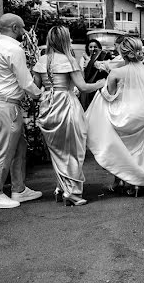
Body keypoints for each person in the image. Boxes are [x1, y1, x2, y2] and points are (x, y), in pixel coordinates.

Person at [86, 37, 144, 194]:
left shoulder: (116, 72)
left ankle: (120, 180)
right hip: (141, 114)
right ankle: (137, 183)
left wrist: (101, 88)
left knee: (119, 147)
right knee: (139, 148)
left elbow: (109, 95)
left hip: (123, 115)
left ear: (122, 53)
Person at [32, 26, 105, 206]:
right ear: (65, 40)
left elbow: (35, 88)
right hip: (66, 104)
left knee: (57, 151)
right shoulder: (69, 60)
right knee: (74, 149)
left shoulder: (41, 60)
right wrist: (100, 83)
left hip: (48, 105)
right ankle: (73, 193)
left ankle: (61, 188)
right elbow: (83, 87)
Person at [0, 13, 43, 209]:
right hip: (7, 104)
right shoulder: (15, 49)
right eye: (23, 27)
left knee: (19, 146)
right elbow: (25, 81)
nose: (25, 31)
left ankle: (18, 188)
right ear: (16, 28)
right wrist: (40, 94)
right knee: (6, 150)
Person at [79, 38, 109, 110]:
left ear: (99, 48)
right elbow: (81, 74)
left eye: (95, 47)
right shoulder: (83, 59)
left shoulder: (103, 58)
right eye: (91, 47)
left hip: (99, 89)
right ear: (87, 48)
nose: (93, 49)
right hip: (87, 88)